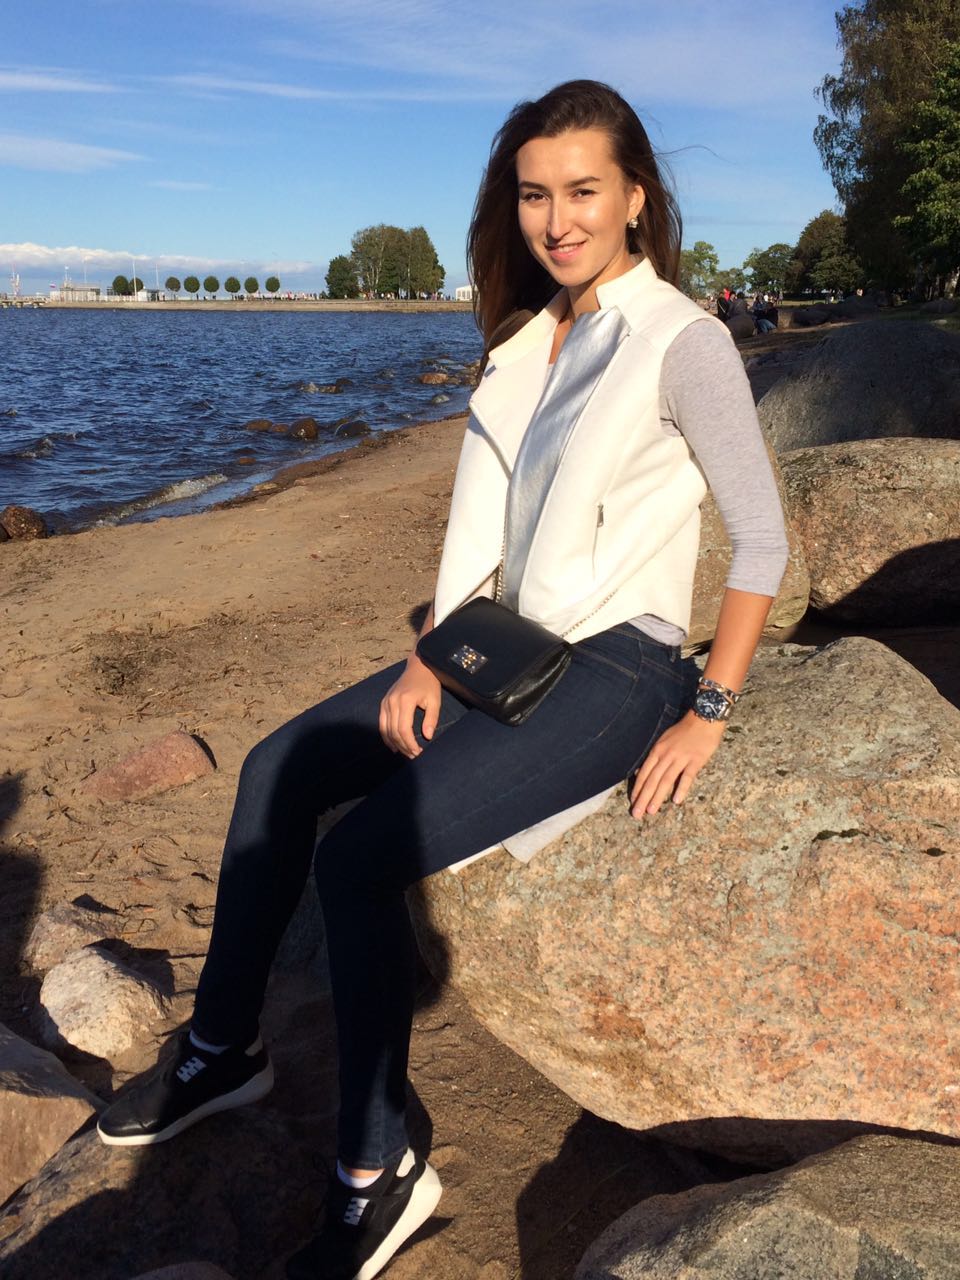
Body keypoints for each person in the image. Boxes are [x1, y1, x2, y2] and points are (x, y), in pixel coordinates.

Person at [96, 79, 788, 1279]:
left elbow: (764, 539)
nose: (558, 219)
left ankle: (377, 1174)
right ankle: (221, 1047)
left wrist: (709, 710)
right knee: (276, 765)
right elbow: (497, 538)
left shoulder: (684, 339)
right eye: (535, 194)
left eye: (584, 191)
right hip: (500, 640)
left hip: (618, 664)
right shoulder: (532, 337)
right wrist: (429, 653)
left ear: (636, 196)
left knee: (359, 860)